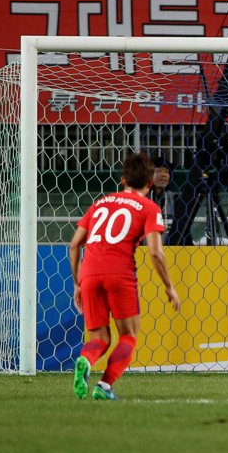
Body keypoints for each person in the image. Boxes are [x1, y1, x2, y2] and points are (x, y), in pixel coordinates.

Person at [68, 152, 181, 401]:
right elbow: (155, 252)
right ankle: (104, 386)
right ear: (149, 183)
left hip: (89, 272)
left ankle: (85, 361)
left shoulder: (100, 203)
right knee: (128, 335)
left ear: (122, 180)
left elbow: (75, 244)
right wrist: (169, 287)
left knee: (99, 338)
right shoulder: (150, 207)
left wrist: (78, 282)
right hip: (119, 273)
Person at [148, 157, 174, 236]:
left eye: (166, 172)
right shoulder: (141, 199)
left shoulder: (175, 199)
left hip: (170, 247)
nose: (163, 175)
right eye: (158, 171)